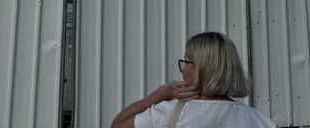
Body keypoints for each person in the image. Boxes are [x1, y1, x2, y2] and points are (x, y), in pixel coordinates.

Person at [111, 31, 275, 128]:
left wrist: (160, 94)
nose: (183, 69)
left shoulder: (170, 113)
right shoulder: (260, 121)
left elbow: (118, 125)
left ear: (203, 68)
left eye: (187, 62)